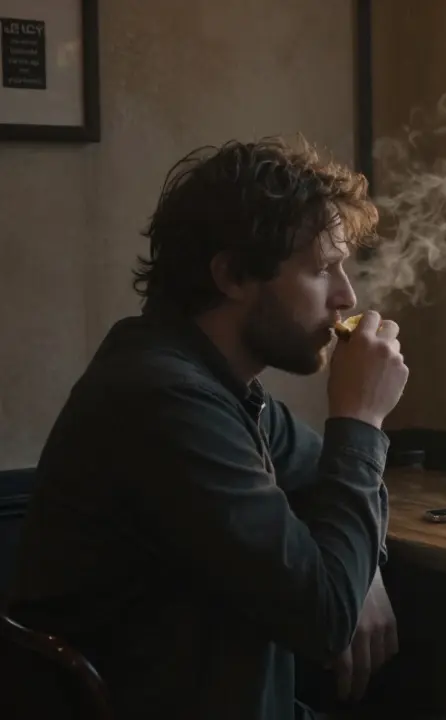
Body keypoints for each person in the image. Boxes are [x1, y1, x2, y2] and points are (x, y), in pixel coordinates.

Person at [8, 138, 409, 719]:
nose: (346, 296)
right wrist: (362, 417)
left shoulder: (211, 384)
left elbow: (327, 479)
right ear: (233, 275)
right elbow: (326, 620)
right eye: (322, 269)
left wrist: (362, 569)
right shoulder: (163, 401)